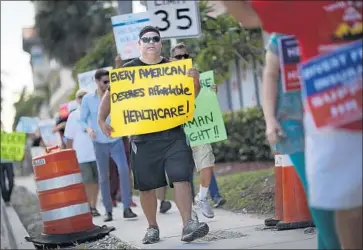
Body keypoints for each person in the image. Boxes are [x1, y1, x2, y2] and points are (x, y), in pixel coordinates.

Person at [223, 1, 362, 249]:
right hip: (299, 124)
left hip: (346, 114)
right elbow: (269, 72)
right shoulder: (289, 26)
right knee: (326, 202)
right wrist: (270, 120)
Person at [98, 26, 209, 244]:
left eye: (155, 39)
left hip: (173, 135)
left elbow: (189, 98)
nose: (151, 42)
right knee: (147, 187)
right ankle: (152, 227)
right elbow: (110, 97)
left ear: (160, 43)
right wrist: (102, 120)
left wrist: (194, 81)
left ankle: (188, 224)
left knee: (181, 178)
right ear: (139, 44)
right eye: (146, 39)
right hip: (143, 139)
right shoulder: (128, 71)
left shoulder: (173, 67)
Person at [171, 42, 226, 218]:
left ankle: (202, 198)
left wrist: (210, 91)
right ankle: (190, 213)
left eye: (185, 56)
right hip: (178, 133)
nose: (182, 59)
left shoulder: (201, 77)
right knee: (183, 175)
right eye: (178, 57)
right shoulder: (166, 80)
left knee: (207, 165)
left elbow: (208, 103)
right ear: (172, 59)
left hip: (199, 128)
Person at [80, 69, 137, 222]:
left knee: (124, 171)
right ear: (97, 82)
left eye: (109, 82)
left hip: (116, 139)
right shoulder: (87, 99)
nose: (108, 85)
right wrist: (89, 128)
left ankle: (126, 207)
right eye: (105, 82)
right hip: (99, 143)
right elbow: (82, 120)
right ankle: (108, 210)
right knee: (103, 176)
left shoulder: (116, 95)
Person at [64, 89, 101, 217]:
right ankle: (88, 206)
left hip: (97, 152)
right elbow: (69, 138)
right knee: (87, 181)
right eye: (80, 97)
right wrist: (69, 156)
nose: (82, 98)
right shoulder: (74, 115)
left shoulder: (95, 112)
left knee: (96, 181)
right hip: (81, 155)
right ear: (77, 100)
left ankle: (93, 206)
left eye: (85, 96)